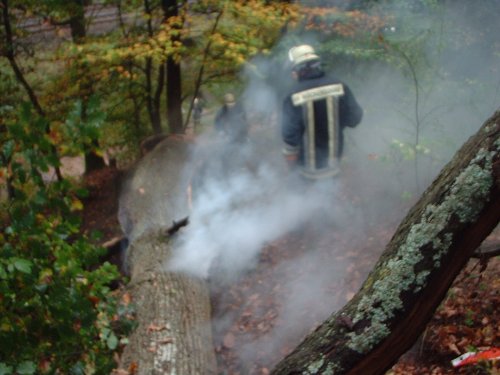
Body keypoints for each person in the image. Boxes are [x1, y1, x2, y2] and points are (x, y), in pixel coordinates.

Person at [281, 44, 363, 180]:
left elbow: (290, 138)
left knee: (312, 200)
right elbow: (355, 119)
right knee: (330, 198)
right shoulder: (339, 86)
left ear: (297, 70)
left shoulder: (293, 96)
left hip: (307, 172)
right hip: (334, 165)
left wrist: (291, 169)